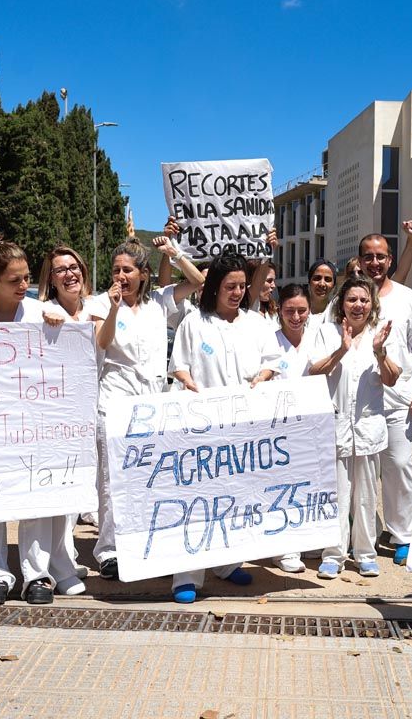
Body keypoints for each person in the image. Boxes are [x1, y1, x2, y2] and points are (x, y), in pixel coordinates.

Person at [0, 231, 66, 606]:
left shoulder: (42, 313)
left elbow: (71, 363)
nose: (24, 285)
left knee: (36, 497)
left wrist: (62, 332)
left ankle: (38, 576)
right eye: (14, 280)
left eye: (27, 277)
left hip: (33, 426)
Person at [87, 234, 204, 582]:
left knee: (147, 479)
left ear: (142, 273)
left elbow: (198, 282)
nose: (120, 276)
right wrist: (111, 307)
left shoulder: (159, 302)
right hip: (114, 402)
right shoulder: (99, 303)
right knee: (110, 482)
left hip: (151, 405)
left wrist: (175, 253)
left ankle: (138, 541)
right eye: (115, 270)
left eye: (126, 270)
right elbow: (102, 343)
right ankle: (108, 550)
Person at [168, 252, 282, 603]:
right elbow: (180, 366)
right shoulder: (194, 323)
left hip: (245, 428)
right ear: (214, 287)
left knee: (236, 497)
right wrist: (188, 383)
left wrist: (260, 378)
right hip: (203, 428)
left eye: (242, 286)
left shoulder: (257, 324)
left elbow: (271, 364)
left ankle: (227, 563)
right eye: (229, 286)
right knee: (197, 500)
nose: (236, 292)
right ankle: (186, 575)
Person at [308, 276, 398, 578]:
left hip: (369, 427)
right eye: (351, 300)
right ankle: (334, 553)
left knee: (366, 495)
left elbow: (392, 378)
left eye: (363, 300)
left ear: (371, 304)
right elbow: (314, 370)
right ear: (341, 304)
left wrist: (379, 351)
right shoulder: (325, 332)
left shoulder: (381, 334)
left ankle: (365, 553)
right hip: (335, 425)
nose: (358, 305)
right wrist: (342, 350)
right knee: (337, 494)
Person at [357, 234, 412, 565]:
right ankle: (362, 537)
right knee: (361, 472)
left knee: (400, 466)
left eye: (381, 257)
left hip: (399, 398)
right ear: (360, 260)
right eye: (368, 257)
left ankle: (402, 533)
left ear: (390, 260)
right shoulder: (349, 298)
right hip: (359, 400)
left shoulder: (406, 298)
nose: (375, 263)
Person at [34, 245, 101, 596]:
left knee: (77, 495)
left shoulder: (98, 307)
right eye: (60, 269)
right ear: (51, 278)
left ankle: (66, 559)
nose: (69, 273)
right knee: (56, 493)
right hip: (53, 417)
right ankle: (56, 569)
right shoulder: (42, 310)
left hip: (89, 412)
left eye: (73, 266)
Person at [272, 283, 318, 573]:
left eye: (302, 310)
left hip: (312, 423)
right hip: (277, 425)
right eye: (290, 310)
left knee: (308, 484)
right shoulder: (268, 341)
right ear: (279, 310)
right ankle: (284, 549)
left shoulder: (319, 339)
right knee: (281, 487)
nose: (296, 316)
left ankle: (306, 538)